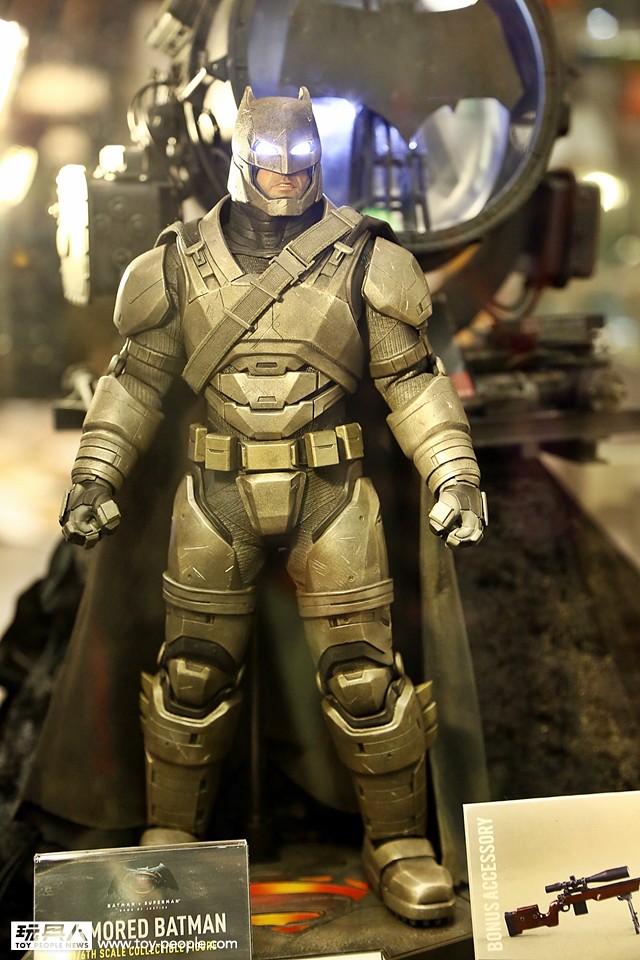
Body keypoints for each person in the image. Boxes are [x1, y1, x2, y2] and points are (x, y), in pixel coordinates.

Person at [59, 86, 486, 924]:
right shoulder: (178, 260)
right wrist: (95, 474)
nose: (285, 180)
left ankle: (398, 840)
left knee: (364, 679)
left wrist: (454, 473)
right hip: (215, 492)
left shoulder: (367, 257)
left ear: (318, 161)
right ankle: (171, 842)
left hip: (331, 492)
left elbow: (412, 382)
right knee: (191, 674)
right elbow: (134, 382)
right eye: (269, 166)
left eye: (298, 165)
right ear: (241, 162)